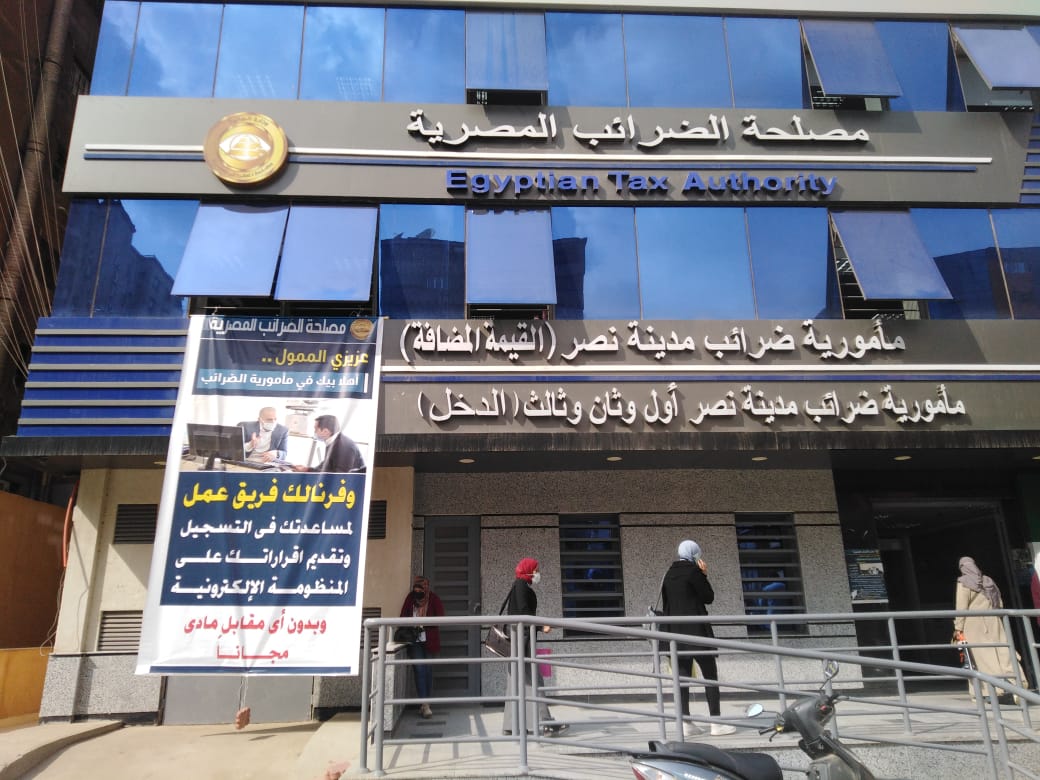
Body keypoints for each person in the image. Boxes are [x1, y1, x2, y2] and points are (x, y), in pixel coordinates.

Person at [660, 540, 736, 737]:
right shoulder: (694, 572)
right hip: (697, 633)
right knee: (710, 675)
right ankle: (716, 724)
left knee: (682, 679)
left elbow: (668, 604)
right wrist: (704, 574)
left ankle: (686, 723)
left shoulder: (669, 574)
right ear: (694, 553)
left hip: (675, 634)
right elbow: (708, 597)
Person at [502, 558, 567, 737]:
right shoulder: (521, 586)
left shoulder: (519, 585)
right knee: (533, 679)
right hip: (522, 639)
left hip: (518, 638)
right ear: (528, 570)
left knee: (516, 680)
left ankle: (511, 725)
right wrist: (540, 626)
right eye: (536, 570)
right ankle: (544, 722)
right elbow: (524, 612)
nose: (538, 573)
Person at [953, 556, 1018, 704]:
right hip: (995, 622)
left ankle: (986, 691)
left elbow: (961, 608)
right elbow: (999, 603)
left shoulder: (963, 583)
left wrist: (958, 628)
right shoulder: (988, 581)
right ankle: (1015, 683)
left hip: (974, 625)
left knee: (980, 658)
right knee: (1003, 653)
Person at [399, 575, 445, 719]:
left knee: (428, 670)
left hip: (429, 640)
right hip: (414, 640)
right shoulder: (410, 598)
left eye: (422, 587)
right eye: (417, 587)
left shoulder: (433, 599)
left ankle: (426, 703)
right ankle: (424, 704)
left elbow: (441, 616)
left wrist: (426, 622)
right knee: (419, 669)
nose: (419, 590)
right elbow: (402, 616)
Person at [292, 414, 365, 473]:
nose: (314, 432)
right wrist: (307, 469)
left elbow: (339, 475)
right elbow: (327, 464)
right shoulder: (333, 441)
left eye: (316, 429)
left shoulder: (344, 447)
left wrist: (308, 470)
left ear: (325, 431)